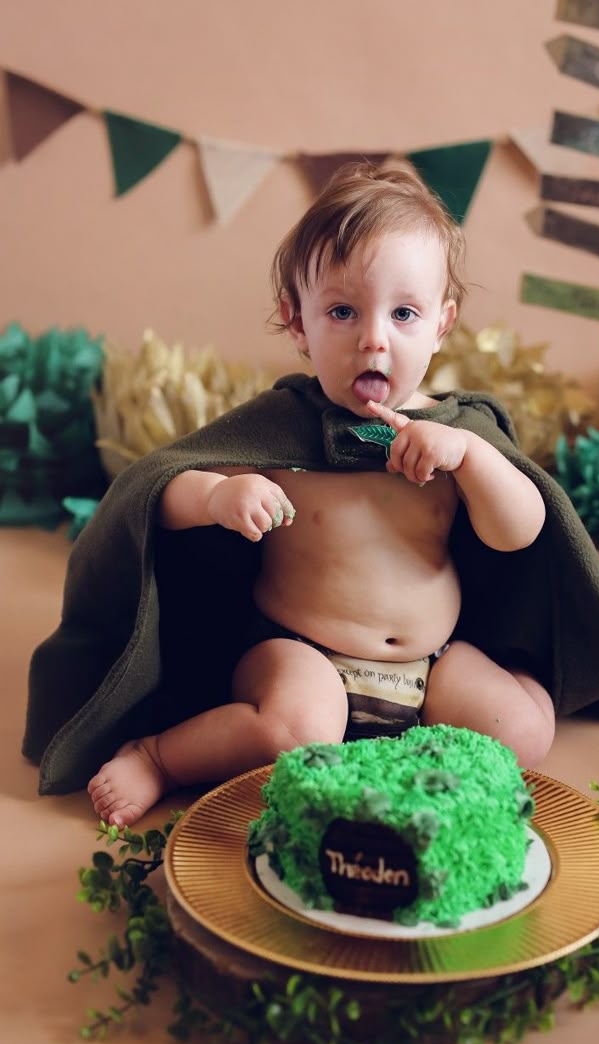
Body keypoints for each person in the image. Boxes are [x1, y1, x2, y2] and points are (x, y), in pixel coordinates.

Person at [87, 164, 555, 828]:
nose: (374, 337)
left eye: (404, 313)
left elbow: (522, 530)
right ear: (297, 322)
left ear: (442, 324)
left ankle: (541, 680)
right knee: (295, 729)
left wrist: (470, 458)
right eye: (342, 311)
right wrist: (219, 496)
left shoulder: (457, 434)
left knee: (524, 736)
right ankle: (159, 757)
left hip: (431, 663)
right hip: (303, 653)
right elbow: (157, 489)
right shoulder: (279, 425)